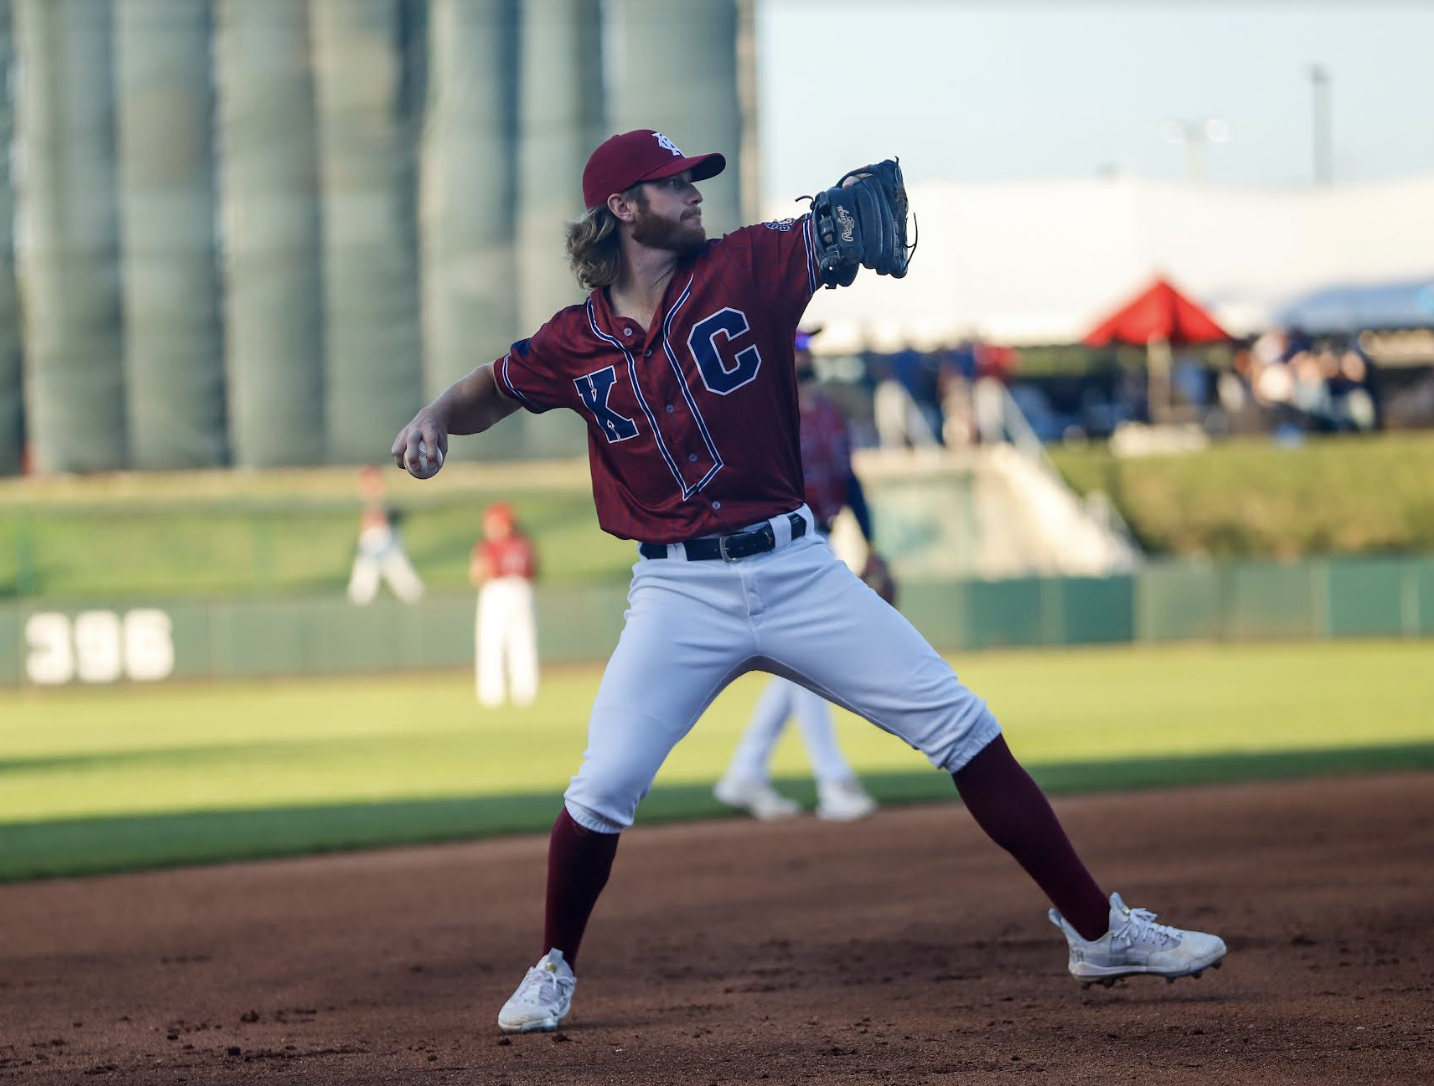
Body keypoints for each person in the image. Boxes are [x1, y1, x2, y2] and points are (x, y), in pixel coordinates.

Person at [391, 128, 1226, 1035]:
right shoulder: (573, 340)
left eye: (695, 178)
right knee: (602, 787)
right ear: (622, 210)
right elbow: (496, 385)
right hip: (675, 594)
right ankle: (552, 966)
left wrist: (834, 233)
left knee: (964, 728)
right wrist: (435, 415)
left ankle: (1099, 931)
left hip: (795, 568)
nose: (696, 191)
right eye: (674, 183)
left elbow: (821, 239)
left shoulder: (749, 263)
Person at [713, 327, 883, 823]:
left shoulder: (827, 412)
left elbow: (850, 482)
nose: (805, 352)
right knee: (811, 660)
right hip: (781, 547)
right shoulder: (762, 413)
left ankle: (746, 770)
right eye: (796, 343)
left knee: (802, 665)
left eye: (808, 344)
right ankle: (833, 780)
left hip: (822, 542)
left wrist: (873, 548)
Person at [470, 502, 540, 708]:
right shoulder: (525, 543)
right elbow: (535, 570)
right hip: (523, 589)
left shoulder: (489, 546)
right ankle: (526, 691)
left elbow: (478, 574)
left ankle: (492, 693)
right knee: (524, 642)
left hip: (496, 591)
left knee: (491, 643)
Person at [346, 465, 424, 605]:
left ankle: (412, 594)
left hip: (383, 534)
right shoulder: (370, 496)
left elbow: (380, 516)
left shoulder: (378, 495)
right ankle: (360, 598)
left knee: (395, 566)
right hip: (372, 536)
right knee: (367, 571)